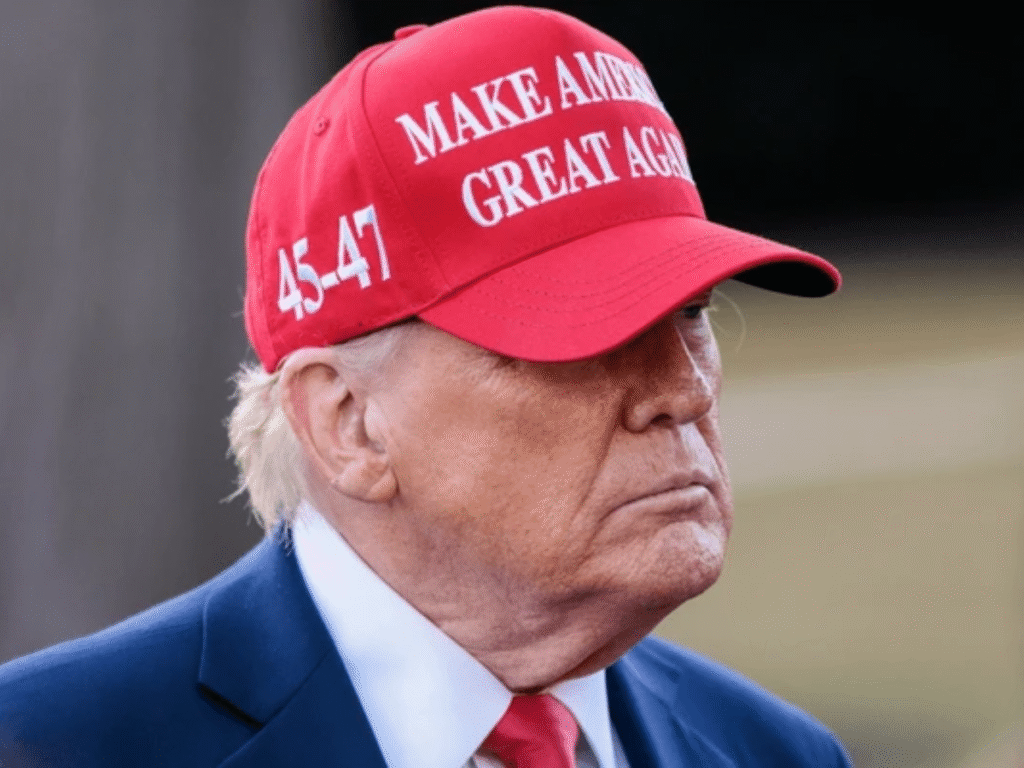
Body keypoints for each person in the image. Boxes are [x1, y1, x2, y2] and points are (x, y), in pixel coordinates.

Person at [0, 7, 851, 767]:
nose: (682, 390)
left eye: (692, 312)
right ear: (350, 425)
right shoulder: (47, 746)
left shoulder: (776, 751)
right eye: (582, 337)